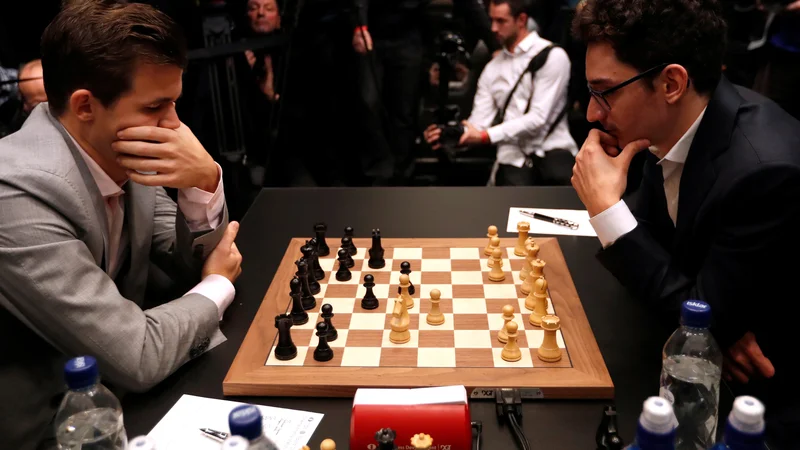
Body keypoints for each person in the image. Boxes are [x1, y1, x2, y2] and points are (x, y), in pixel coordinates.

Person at [0, 2, 243, 448]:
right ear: (85, 105)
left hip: (122, 402)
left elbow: (186, 262)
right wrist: (217, 286)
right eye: (156, 107)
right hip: (51, 429)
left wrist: (203, 180)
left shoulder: (113, 150)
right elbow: (138, 354)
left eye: (175, 103)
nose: (175, 126)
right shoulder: (14, 195)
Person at [570, 0, 800, 446]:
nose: (592, 114)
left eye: (605, 92)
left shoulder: (764, 172)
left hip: (760, 410)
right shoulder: (671, 128)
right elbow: (688, 294)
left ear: (672, 83)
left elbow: (697, 320)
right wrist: (717, 329)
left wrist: (607, 212)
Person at [423, 0, 579, 186]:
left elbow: (538, 119)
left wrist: (485, 136)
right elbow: (479, 122)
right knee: (510, 188)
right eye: (491, 20)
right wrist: (450, 133)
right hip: (512, 156)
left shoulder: (553, 56)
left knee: (565, 183)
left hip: (552, 147)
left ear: (521, 20)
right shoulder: (492, 69)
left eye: (501, 21)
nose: (494, 28)